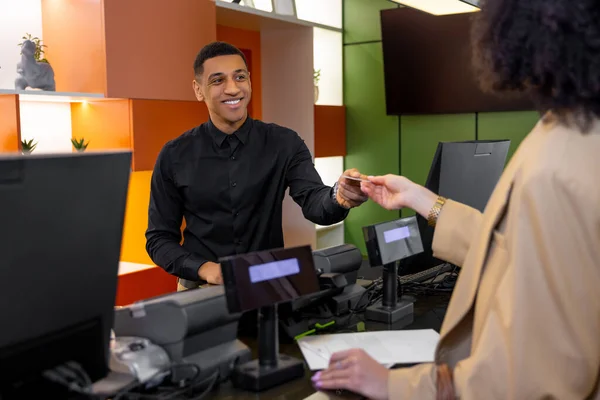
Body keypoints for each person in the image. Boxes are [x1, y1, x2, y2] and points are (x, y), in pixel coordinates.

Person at [311, 0, 600, 398]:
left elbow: (526, 381)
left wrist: (392, 383)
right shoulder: (576, 132)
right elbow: (512, 250)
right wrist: (424, 200)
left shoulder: (557, 164)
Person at [146, 42, 367, 290]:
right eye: (217, 81)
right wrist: (207, 270)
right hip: (200, 290)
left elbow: (314, 203)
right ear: (199, 90)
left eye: (239, 77)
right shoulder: (174, 155)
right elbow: (159, 239)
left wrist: (338, 196)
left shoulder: (284, 143)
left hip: (268, 284)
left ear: (249, 82)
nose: (232, 89)